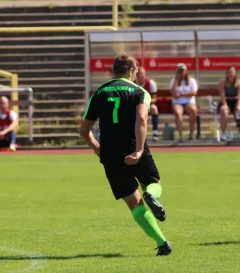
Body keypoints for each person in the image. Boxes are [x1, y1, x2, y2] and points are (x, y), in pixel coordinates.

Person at [79, 54, 172, 256]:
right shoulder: (140, 91)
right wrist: (139, 150)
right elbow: (141, 118)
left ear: (114, 71)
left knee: (134, 203)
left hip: (111, 154)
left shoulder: (99, 93)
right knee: (153, 182)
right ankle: (151, 194)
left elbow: (84, 131)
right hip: (132, 146)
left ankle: (162, 243)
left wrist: (97, 149)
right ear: (130, 71)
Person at [169, 63, 198, 140]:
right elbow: (173, 94)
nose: (181, 72)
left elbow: (193, 93)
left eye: (182, 70)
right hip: (177, 103)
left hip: (189, 102)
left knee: (193, 110)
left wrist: (181, 94)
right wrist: (176, 80)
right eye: (179, 71)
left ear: (186, 71)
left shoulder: (192, 81)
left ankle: (191, 134)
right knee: (178, 113)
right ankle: (181, 135)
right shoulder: (173, 81)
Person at [218, 66, 240, 141]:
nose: (231, 74)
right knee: (223, 110)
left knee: (239, 111)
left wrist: (239, 105)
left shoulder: (239, 82)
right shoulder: (222, 82)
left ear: (235, 73)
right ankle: (223, 133)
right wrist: (225, 104)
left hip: (236, 101)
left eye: (232, 72)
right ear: (226, 73)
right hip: (226, 101)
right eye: (229, 72)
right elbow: (222, 94)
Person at [135, 67, 160, 141]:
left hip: (147, 104)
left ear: (145, 75)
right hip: (136, 105)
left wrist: (144, 102)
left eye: (141, 74)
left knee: (154, 108)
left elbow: (154, 98)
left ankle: (155, 133)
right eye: (138, 73)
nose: (139, 75)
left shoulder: (150, 83)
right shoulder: (133, 83)